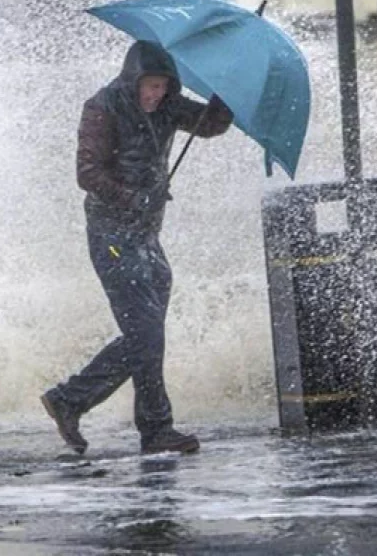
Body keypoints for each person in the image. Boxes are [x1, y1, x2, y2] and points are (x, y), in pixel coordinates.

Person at [41, 40, 233, 455]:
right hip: (111, 235)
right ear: (132, 81)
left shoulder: (169, 105)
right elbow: (86, 172)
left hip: (147, 236)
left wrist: (225, 95)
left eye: (163, 87)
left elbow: (209, 125)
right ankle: (147, 426)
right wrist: (132, 197)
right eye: (149, 86)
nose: (156, 95)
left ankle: (75, 402)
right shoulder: (103, 106)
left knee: (148, 334)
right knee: (146, 332)